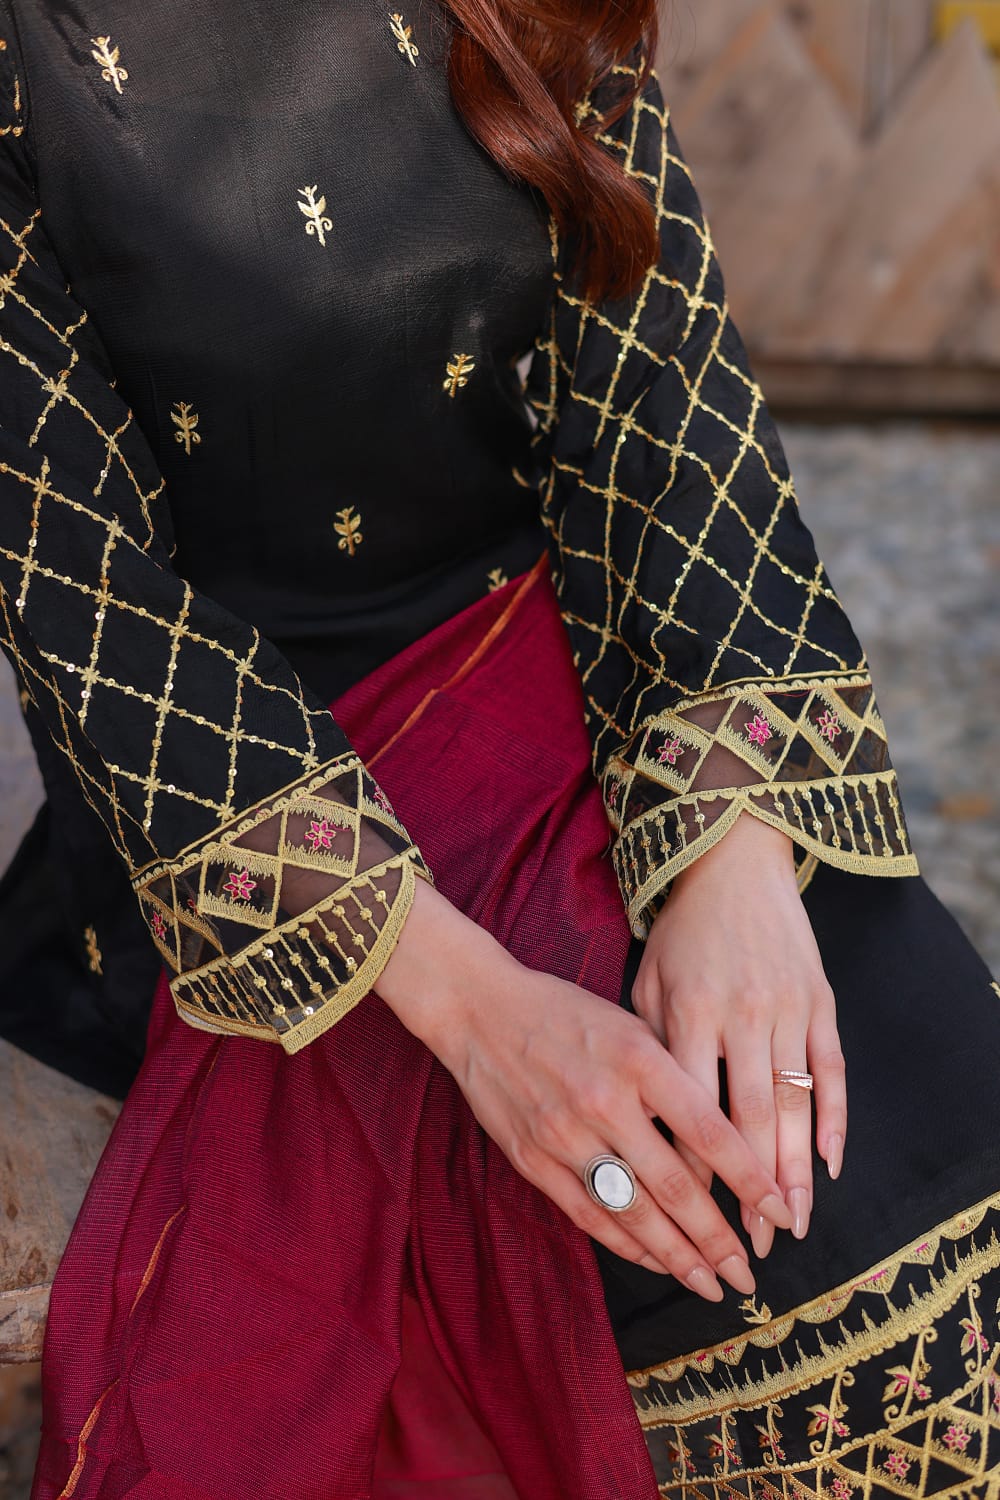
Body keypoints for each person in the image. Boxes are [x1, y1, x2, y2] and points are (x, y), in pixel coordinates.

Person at [0, 2, 998, 1496]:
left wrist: (733, 854)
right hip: (241, 811)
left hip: (590, 669)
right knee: (719, 1259)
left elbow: (665, 383)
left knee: (921, 1148)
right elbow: (88, 603)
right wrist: (487, 1025)